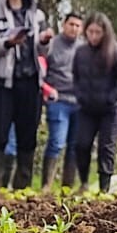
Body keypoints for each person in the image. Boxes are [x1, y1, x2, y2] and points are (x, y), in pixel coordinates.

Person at [0, 0, 54, 190]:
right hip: (2, 82)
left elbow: (45, 52)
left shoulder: (36, 15)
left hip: (30, 80)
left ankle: (23, 186)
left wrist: (44, 41)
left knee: (27, 134)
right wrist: (8, 42)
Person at [72, 12, 117, 193]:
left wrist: (110, 98)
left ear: (105, 33)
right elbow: (75, 77)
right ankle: (83, 183)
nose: (94, 36)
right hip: (86, 107)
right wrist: (80, 95)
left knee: (106, 147)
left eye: (98, 32)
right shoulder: (81, 52)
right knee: (81, 144)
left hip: (110, 109)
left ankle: (104, 188)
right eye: (90, 31)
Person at [41, 13, 83, 191]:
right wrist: (47, 89)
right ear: (64, 25)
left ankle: (67, 186)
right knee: (57, 142)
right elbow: (40, 69)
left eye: (78, 26)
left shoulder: (84, 48)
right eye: (71, 24)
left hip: (79, 102)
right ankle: (46, 185)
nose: (74, 28)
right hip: (58, 100)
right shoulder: (51, 45)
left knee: (75, 145)